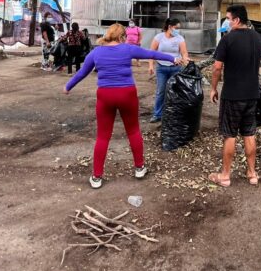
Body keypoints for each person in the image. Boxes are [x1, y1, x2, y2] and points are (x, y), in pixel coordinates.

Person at [62, 23, 182, 189]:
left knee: (103, 137)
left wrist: (68, 86)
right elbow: (152, 53)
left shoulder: (96, 52)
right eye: (124, 36)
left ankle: (96, 177)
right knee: (133, 130)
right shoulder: (128, 49)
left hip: (105, 95)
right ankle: (139, 168)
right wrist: (173, 58)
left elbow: (83, 72)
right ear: (121, 37)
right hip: (127, 94)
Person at [208, 4, 261, 188]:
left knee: (230, 134)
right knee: (249, 133)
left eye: (228, 19)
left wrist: (213, 88)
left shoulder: (227, 40)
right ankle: (252, 174)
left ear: (236, 20)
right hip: (252, 94)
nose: (227, 22)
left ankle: (225, 176)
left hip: (232, 95)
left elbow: (217, 67)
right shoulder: (257, 37)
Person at [148, 18, 189, 123]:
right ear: (170, 27)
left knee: (175, 92)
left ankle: (173, 114)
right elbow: (152, 52)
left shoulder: (179, 38)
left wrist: (186, 60)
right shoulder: (159, 37)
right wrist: (151, 65)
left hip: (176, 68)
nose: (178, 30)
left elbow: (184, 52)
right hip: (161, 68)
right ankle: (157, 114)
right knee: (160, 91)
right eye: (176, 28)